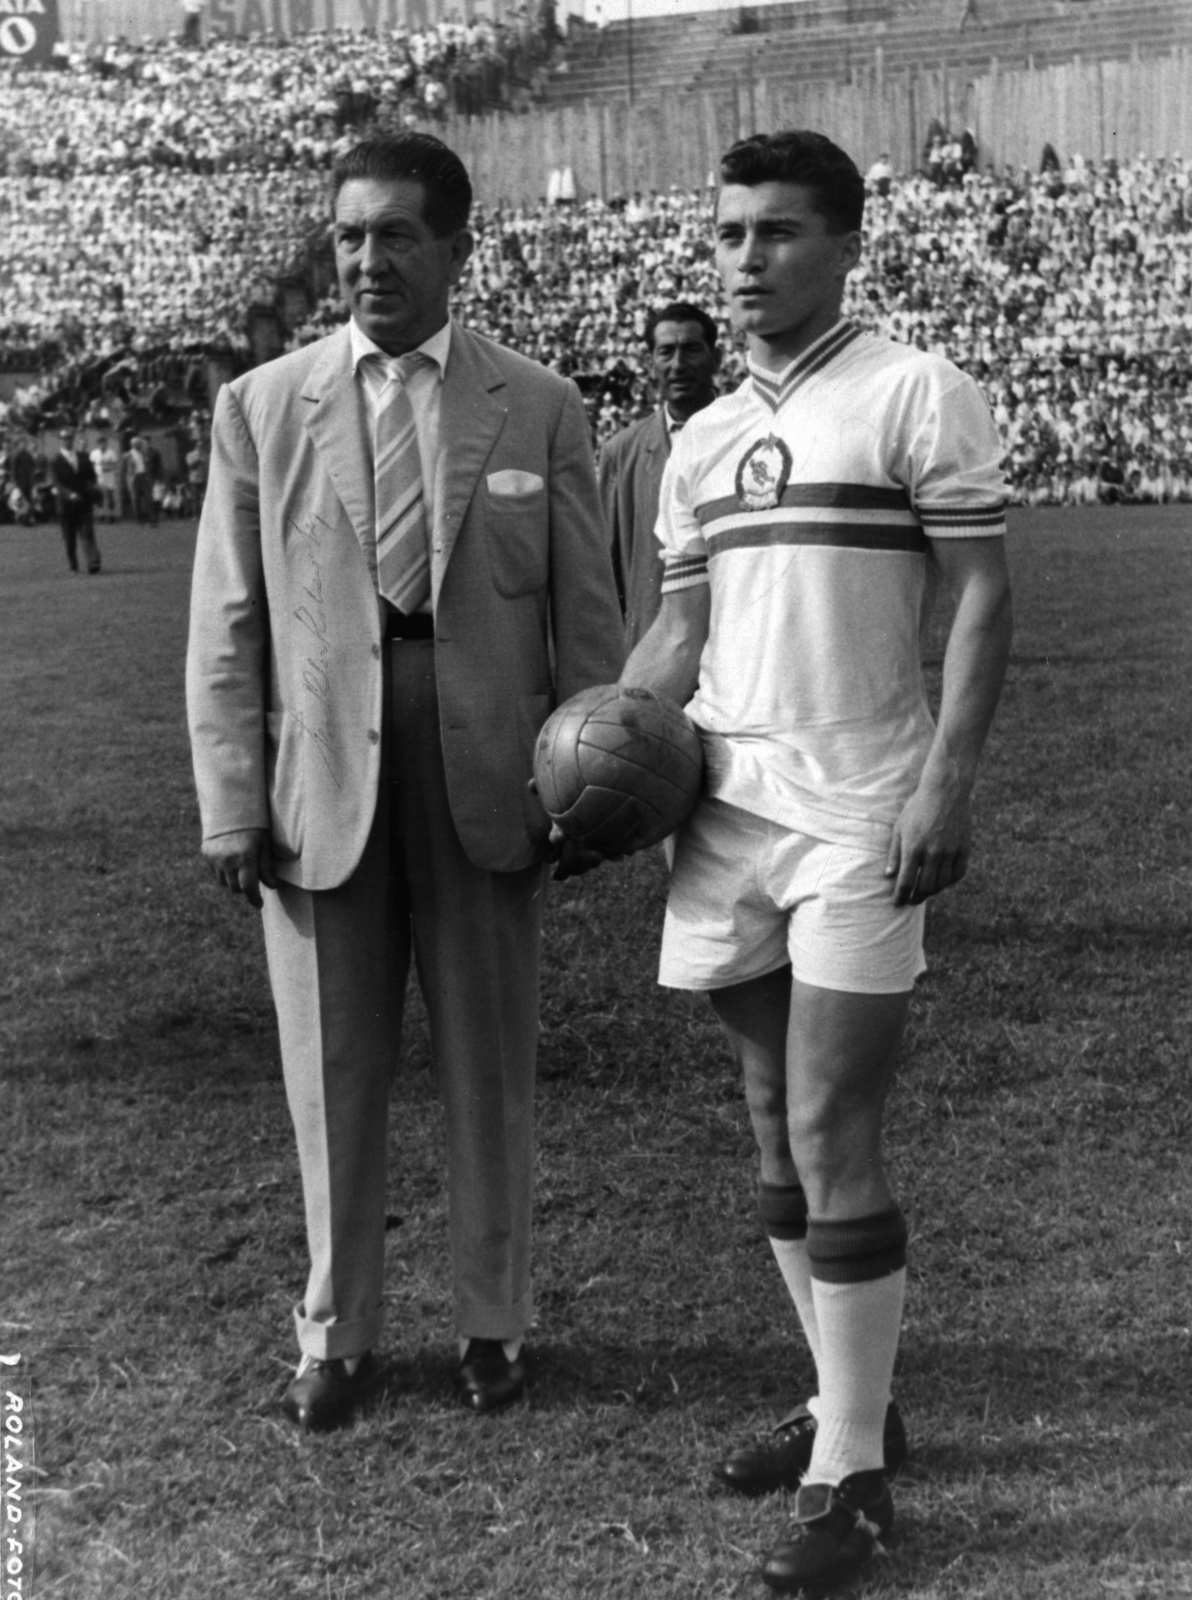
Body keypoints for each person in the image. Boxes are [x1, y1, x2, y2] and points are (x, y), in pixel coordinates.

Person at [620, 130, 1013, 1594]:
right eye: (730, 233)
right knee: (767, 1122)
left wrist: (944, 785)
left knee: (833, 1118)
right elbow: (677, 634)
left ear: (849, 242)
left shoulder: (916, 391)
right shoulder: (705, 437)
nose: (745, 258)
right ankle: (854, 1405)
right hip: (725, 806)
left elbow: (980, 601)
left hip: (862, 804)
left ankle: (851, 1482)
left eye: (778, 232)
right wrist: (595, 743)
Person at [186, 131, 623, 1435]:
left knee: (491, 1069)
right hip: (319, 786)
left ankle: (494, 1323)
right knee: (332, 1075)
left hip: (490, 781)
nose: (369, 261)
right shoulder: (263, 405)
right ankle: (340, 1333)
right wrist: (227, 799)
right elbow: (227, 623)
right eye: (349, 238)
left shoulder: (538, 404)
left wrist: (591, 784)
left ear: (456, 247)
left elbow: (588, 621)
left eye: (395, 235)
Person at [598, 302, 720, 651]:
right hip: (652, 647)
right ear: (651, 363)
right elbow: (604, 573)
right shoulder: (621, 453)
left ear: (717, 358)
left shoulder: (748, 434)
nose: (678, 364)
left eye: (692, 350)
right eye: (666, 352)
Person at [52, 428, 102, 574]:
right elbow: (57, 483)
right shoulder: (56, 460)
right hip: (66, 506)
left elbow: (92, 477)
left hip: (83, 502)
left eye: (69, 438)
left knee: (87, 533)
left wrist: (92, 487)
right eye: (64, 439)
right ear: (61, 441)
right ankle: (73, 564)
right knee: (70, 540)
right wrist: (69, 494)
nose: (67, 441)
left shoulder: (83, 457)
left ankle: (93, 562)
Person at [92, 434, 121, 522]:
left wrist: (108, 468)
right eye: (100, 443)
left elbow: (115, 465)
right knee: (100, 496)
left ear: (106, 443)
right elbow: (92, 465)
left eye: (104, 443)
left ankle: (111, 515)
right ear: (98, 444)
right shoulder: (94, 453)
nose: (102, 444)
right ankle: (101, 515)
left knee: (110, 495)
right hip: (99, 476)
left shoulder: (111, 453)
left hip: (109, 476)